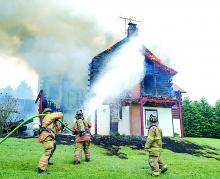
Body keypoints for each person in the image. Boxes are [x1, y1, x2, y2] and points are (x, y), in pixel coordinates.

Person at [37, 108, 64, 174]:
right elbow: (60, 114)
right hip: (47, 136)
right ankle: (41, 169)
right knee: (47, 151)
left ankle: (46, 161)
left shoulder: (51, 121)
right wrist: (60, 112)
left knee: (53, 146)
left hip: (49, 136)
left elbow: (55, 130)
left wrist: (62, 127)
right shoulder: (49, 116)